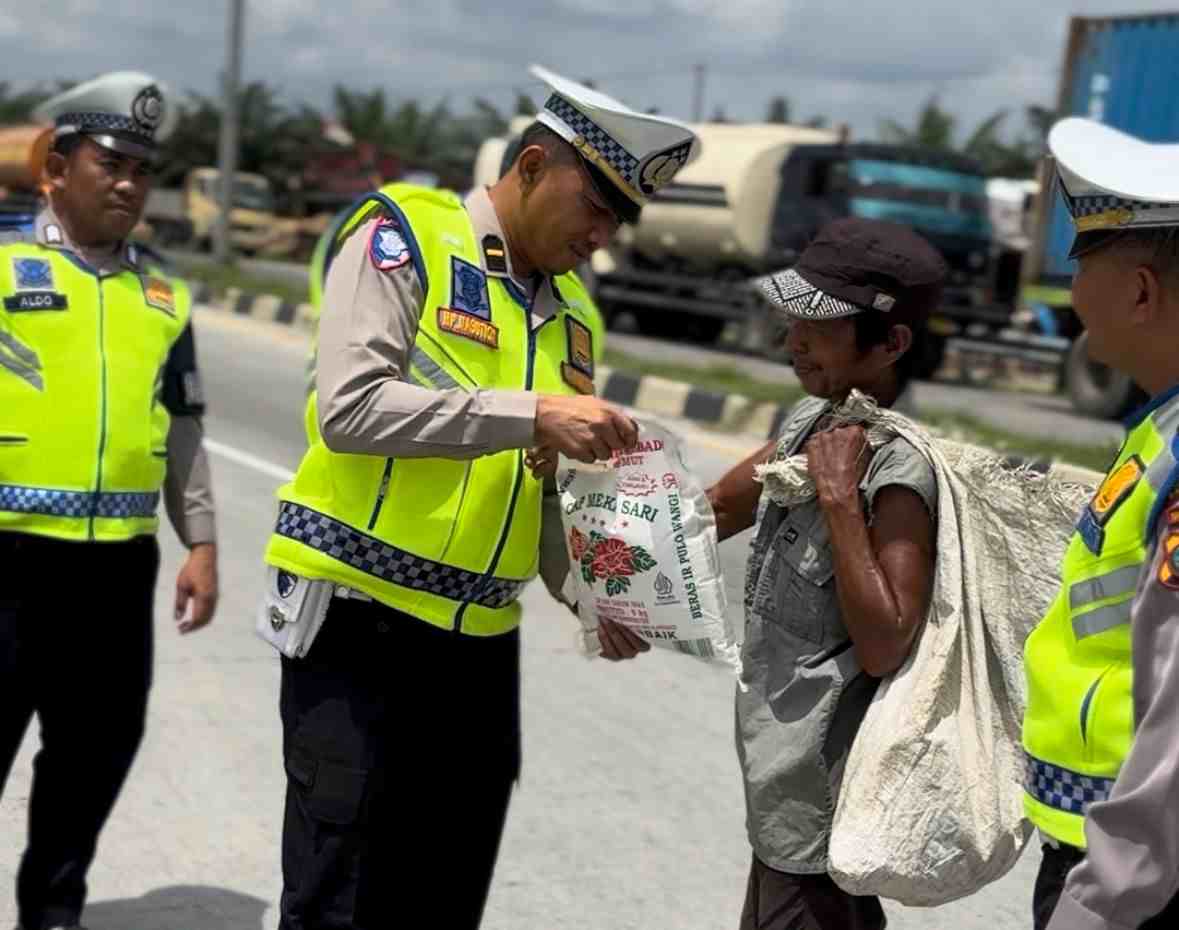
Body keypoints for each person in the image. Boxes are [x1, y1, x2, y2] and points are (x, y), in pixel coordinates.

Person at [261, 65, 698, 930]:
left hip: (478, 649)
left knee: (444, 896)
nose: (602, 238)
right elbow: (348, 410)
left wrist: (589, 593)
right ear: (532, 167)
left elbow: (543, 492)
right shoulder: (403, 236)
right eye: (595, 207)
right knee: (338, 900)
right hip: (361, 623)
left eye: (620, 220)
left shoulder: (576, 317)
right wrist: (532, 412)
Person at [0, 71, 219, 930]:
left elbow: (187, 425)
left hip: (116, 570)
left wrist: (200, 541)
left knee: (92, 758)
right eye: (109, 162)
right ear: (55, 168)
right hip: (7, 559)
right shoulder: (3, 262)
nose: (128, 182)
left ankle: (53, 910)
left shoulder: (165, 295)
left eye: (141, 168)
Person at [703, 218, 946, 930]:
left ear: (890, 344)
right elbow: (714, 510)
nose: (793, 341)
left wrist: (840, 499)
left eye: (819, 327)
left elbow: (884, 642)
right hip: (779, 790)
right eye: (791, 321)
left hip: (824, 806)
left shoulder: (900, 469)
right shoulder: (813, 420)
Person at [1022, 118, 1179, 930]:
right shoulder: (1158, 427)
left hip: (1136, 879)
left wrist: (1102, 904)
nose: (1071, 289)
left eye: (1081, 260)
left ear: (1140, 292)